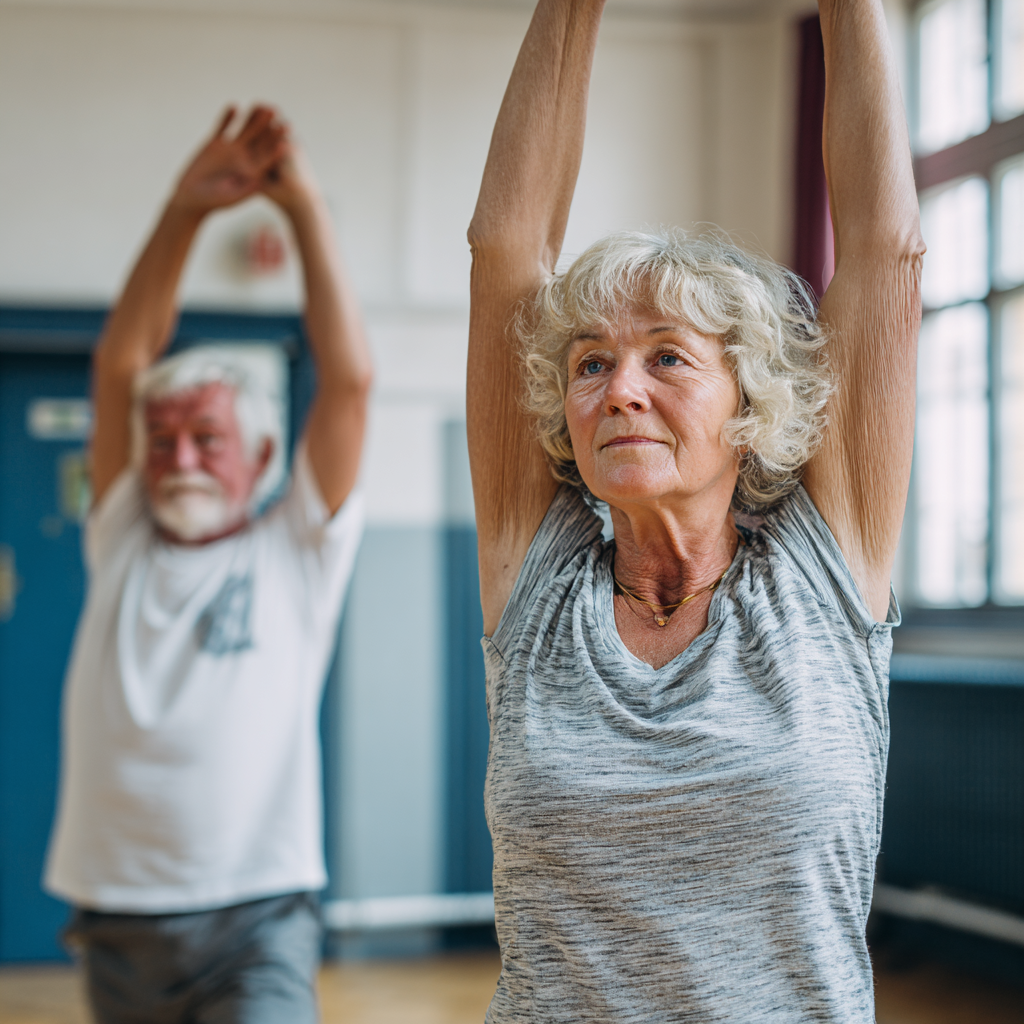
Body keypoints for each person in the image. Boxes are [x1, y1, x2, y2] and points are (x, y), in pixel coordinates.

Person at [466, 0, 923, 1019]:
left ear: (750, 407)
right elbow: (506, 246)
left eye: (666, 358)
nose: (619, 390)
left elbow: (884, 248)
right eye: (591, 363)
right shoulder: (536, 578)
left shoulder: (823, 570)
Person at [44, 106, 372, 1023]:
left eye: (206, 438)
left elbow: (349, 383)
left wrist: (302, 210)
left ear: (263, 457)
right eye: (162, 441)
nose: (179, 458)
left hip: (258, 919)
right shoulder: (122, 537)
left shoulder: (297, 549)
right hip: (119, 918)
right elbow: (121, 361)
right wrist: (185, 210)